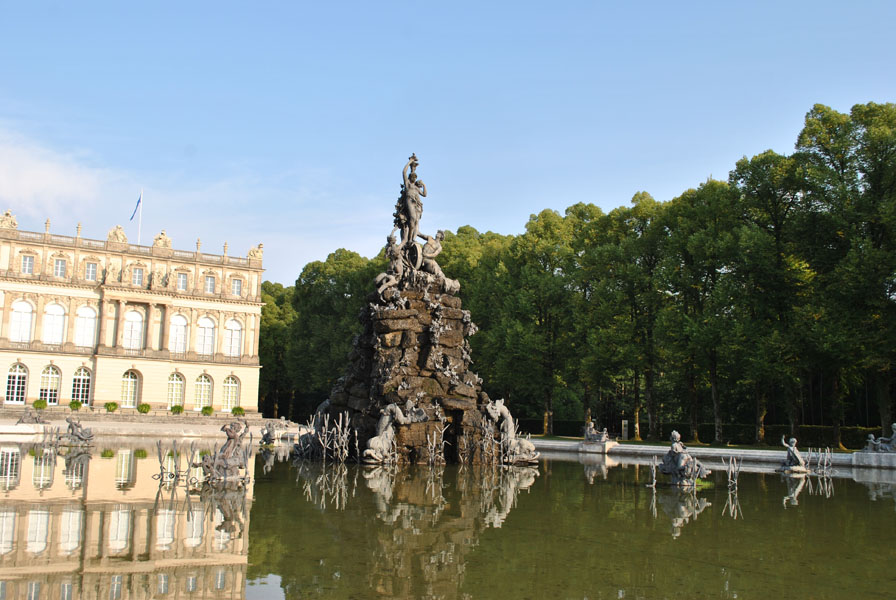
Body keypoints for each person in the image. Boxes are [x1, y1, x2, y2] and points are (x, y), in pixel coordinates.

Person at [400, 155, 426, 246]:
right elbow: (404, 172)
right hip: (409, 201)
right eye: (412, 177)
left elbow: (424, 194)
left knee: (415, 222)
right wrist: (410, 161)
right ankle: (410, 239)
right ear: (410, 177)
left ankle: (411, 239)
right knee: (413, 219)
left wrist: (424, 185)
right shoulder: (408, 184)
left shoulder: (416, 187)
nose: (414, 178)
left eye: (415, 177)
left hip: (416, 204)